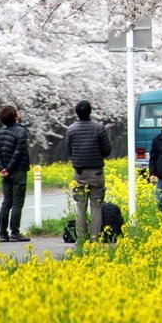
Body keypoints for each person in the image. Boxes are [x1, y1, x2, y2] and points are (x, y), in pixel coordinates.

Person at [65, 100, 112, 241]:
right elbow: (107, 150)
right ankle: (95, 239)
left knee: (80, 205)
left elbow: (69, 150)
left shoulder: (71, 129)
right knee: (96, 206)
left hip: (79, 172)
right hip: (96, 171)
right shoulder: (99, 128)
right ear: (90, 111)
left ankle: (81, 239)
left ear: (77, 113)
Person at [0, 104, 30, 242]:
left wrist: (2, 169)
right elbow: (19, 152)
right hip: (18, 171)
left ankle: (2, 234)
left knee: (6, 202)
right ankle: (15, 232)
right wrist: (9, 169)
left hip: (5, 173)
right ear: (15, 117)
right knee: (17, 202)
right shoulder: (21, 132)